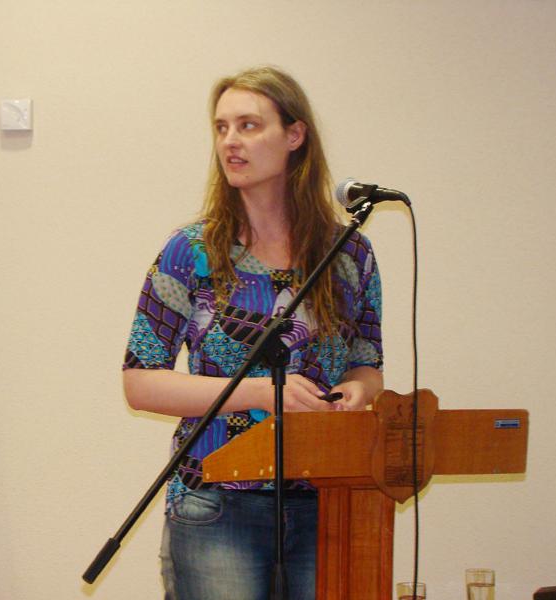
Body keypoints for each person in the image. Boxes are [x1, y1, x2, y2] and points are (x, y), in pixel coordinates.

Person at [122, 65, 383, 600]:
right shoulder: (192, 251)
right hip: (216, 503)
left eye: (247, 126)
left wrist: (359, 390)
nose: (230, 142)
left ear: (294, 136)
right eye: (221, 128)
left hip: (325, 499)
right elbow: (141, 383)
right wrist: (264, 392)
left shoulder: (348, 251)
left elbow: (366, 362)